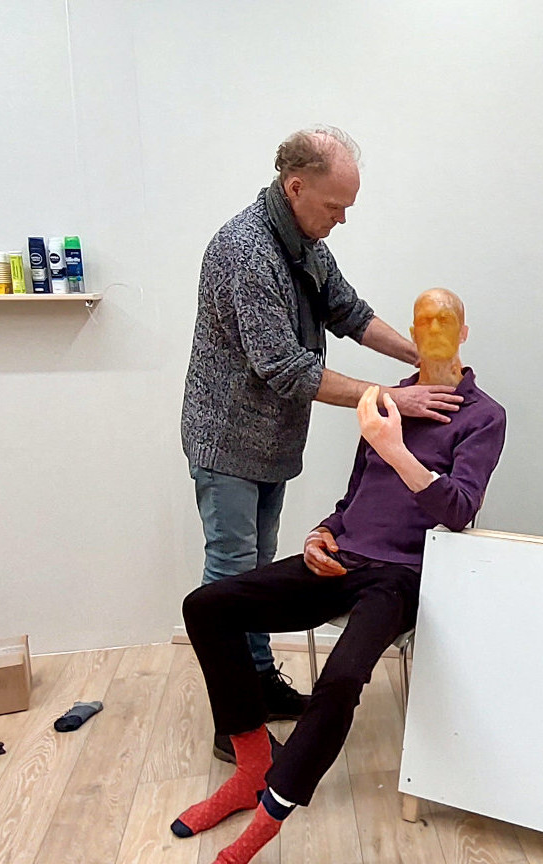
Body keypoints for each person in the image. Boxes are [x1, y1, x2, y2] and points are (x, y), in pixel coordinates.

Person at [138, 288, 506, 864]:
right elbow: (353, 499)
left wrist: (395, 446)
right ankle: (251, 767)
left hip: (400, 576)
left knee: (339, 682)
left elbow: (458, 510)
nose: (432, 331)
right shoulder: (387, 400)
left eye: (444, 320)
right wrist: (321, 531)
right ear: (411, 333)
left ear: (464, 332)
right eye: (422, 321)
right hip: (341, 557)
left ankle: (237, 856)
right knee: (208, 607)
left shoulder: (483, 416)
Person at [181, 127, 463, 749]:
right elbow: (284, 368)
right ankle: (237, 727)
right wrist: (394, 396)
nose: (341, 219)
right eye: (335, 206)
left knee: (257, 567)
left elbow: (350, 313)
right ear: (295, 187)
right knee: (231, 574)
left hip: (272, 439)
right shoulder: (245, 251)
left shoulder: (306, 243)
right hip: (228, 439)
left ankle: (259, 682)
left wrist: (422, 356)